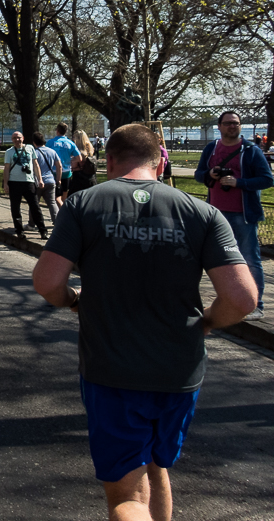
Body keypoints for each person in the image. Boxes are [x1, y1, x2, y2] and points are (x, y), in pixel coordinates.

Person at [33, 124, 256, 521]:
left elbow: (48, 282)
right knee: (157, 466)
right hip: (179, 370)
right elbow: (242, 298)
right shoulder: (203, 213)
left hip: (112, 369)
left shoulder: (83, 205)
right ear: (160, 161)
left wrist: (71, 301)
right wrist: (205, 323)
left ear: (110, 160)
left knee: (127, 497)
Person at [194, 111, 273, 321]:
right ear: (219, 126)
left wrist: (240, 183)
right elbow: (198, 174)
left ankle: (256, 305)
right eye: (228, 123)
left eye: (236, 123)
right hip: (215, 213)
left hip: (243, 215)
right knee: (211, 258)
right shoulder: (212, 148)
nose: (233, 126)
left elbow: (267, 179)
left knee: (249, 258)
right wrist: (209, 175)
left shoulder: (251, 151)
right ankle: (224, 300)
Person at [3, 131, 48, 239]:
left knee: (35, 207)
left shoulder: (30, 148)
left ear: (23, 138)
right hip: (14, 182)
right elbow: (7, 168)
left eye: (18, 137)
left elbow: (36, 165)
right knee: (15, 208)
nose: (16, 140)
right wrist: (6, 183)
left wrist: (40, 179)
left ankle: (42, 230)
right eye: (14, 138)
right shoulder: (9, 152)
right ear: (12, 140)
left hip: (29, 182)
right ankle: (19, 231)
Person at [30, 131, 61, 225]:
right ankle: (57, 222)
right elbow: (59, 166)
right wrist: (58, 179)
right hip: (50, 180)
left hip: (37, 182)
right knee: (52, 203)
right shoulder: (52, 151)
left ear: (34, 142)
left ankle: (32, 223)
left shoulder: (34, 153)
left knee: (34, 204)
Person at [47, 123, 81, 204]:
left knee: (56, 197)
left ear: (57, 131)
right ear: (65, 131)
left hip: (54, 172)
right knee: (64, 194)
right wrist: (70, 160)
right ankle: (64, 209)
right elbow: (79, 158)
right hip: (66, 172)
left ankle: (60, 212)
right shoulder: (70, 143)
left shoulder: (50, 143)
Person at [67, 129, 98, 196]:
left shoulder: (78, 152)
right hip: (91, 178)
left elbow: (73, 167)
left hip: (79, 180)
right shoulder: (90, 149)